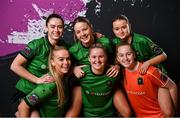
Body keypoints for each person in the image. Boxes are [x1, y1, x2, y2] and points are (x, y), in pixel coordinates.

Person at [111, 14, 177, 115]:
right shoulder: (114, 42)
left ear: (130, 26)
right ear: (113, 31)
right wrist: (116, 65)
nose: (121, 31)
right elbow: (112, 55)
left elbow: (163, 55)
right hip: (138, 79)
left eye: (124, 27)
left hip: (155, 76)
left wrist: (148, 62)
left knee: (168, 112)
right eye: (117, 29)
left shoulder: (142, 40)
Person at [66, 17, 131, 117]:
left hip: (107, 80)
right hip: (87, 84)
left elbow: (117, 57)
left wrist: (117, 66)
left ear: (91, 28)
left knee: (127, 112)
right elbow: (64, 68)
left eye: (85, 29)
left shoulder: (105, 43)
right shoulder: (73, 50)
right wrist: (73, 69)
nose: (82, 34)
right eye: (78, 32)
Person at [10, 13, 70, 117]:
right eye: (52, 26)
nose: (56, 30)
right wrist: (37, 80)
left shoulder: (64, 46)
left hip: (44, 95)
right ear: (46, 28)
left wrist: (95, 36)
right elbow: (14, 66)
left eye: (60, 27)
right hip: (26, 92)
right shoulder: (36, 45)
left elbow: (78, 50)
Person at [116, 42, 177, 117]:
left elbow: (173, 86)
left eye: (129, 54)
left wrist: (176, 112)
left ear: (134, 55)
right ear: (118, 59)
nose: (125, 58)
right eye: (121, 55)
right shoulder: (121, 73)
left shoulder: (151, 72)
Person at [79, 43, 131, 117]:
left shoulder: (113, 72)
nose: (97, 60)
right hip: (89, 115)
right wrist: (74, 69)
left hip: (109, 114)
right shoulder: (82, 73)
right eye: (94, 57)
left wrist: (118, 66)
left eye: (101, 57)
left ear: (106, 57)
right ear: (89, 59)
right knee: (77, 89)